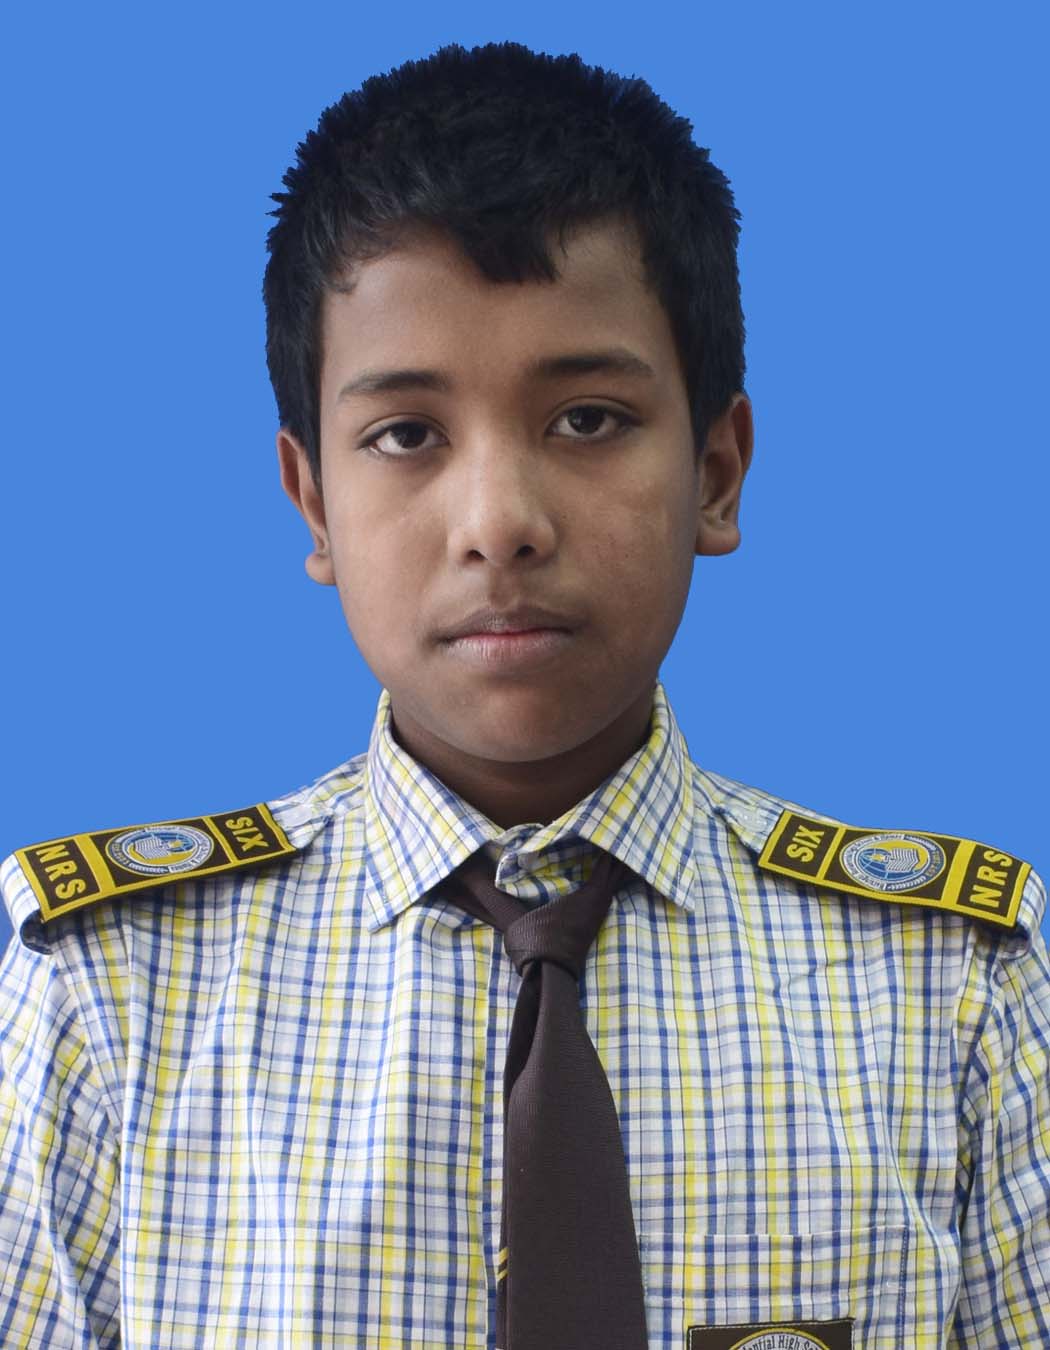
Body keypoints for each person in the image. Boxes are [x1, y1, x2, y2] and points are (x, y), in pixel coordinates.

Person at [1, 39, 1046, 1350]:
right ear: (313, 500)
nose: (499, 522)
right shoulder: (111, 992)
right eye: (406, 434)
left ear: (717, 471)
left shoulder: (947, 989)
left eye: (587, 418)